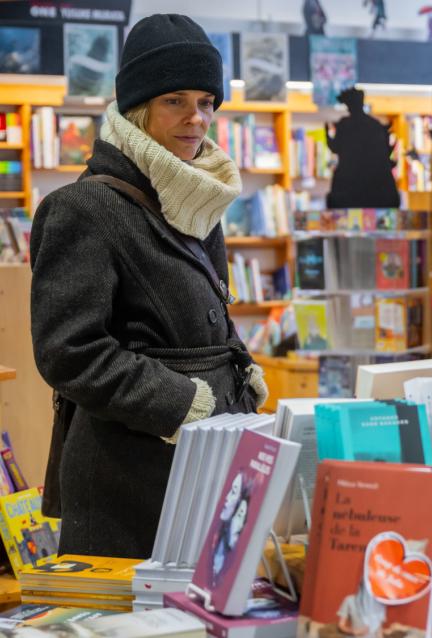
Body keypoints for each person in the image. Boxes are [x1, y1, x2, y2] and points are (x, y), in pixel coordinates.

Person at [29, 14, 268, 559]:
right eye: (175, 100)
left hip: (205, 464)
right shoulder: (82, 208)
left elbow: (201, 312)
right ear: (138, 108)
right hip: (126, 480)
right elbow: (70, 353)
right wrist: (182, 401)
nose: (196, 119)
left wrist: (239, 364)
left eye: (207, 102)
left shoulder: (194, 198)